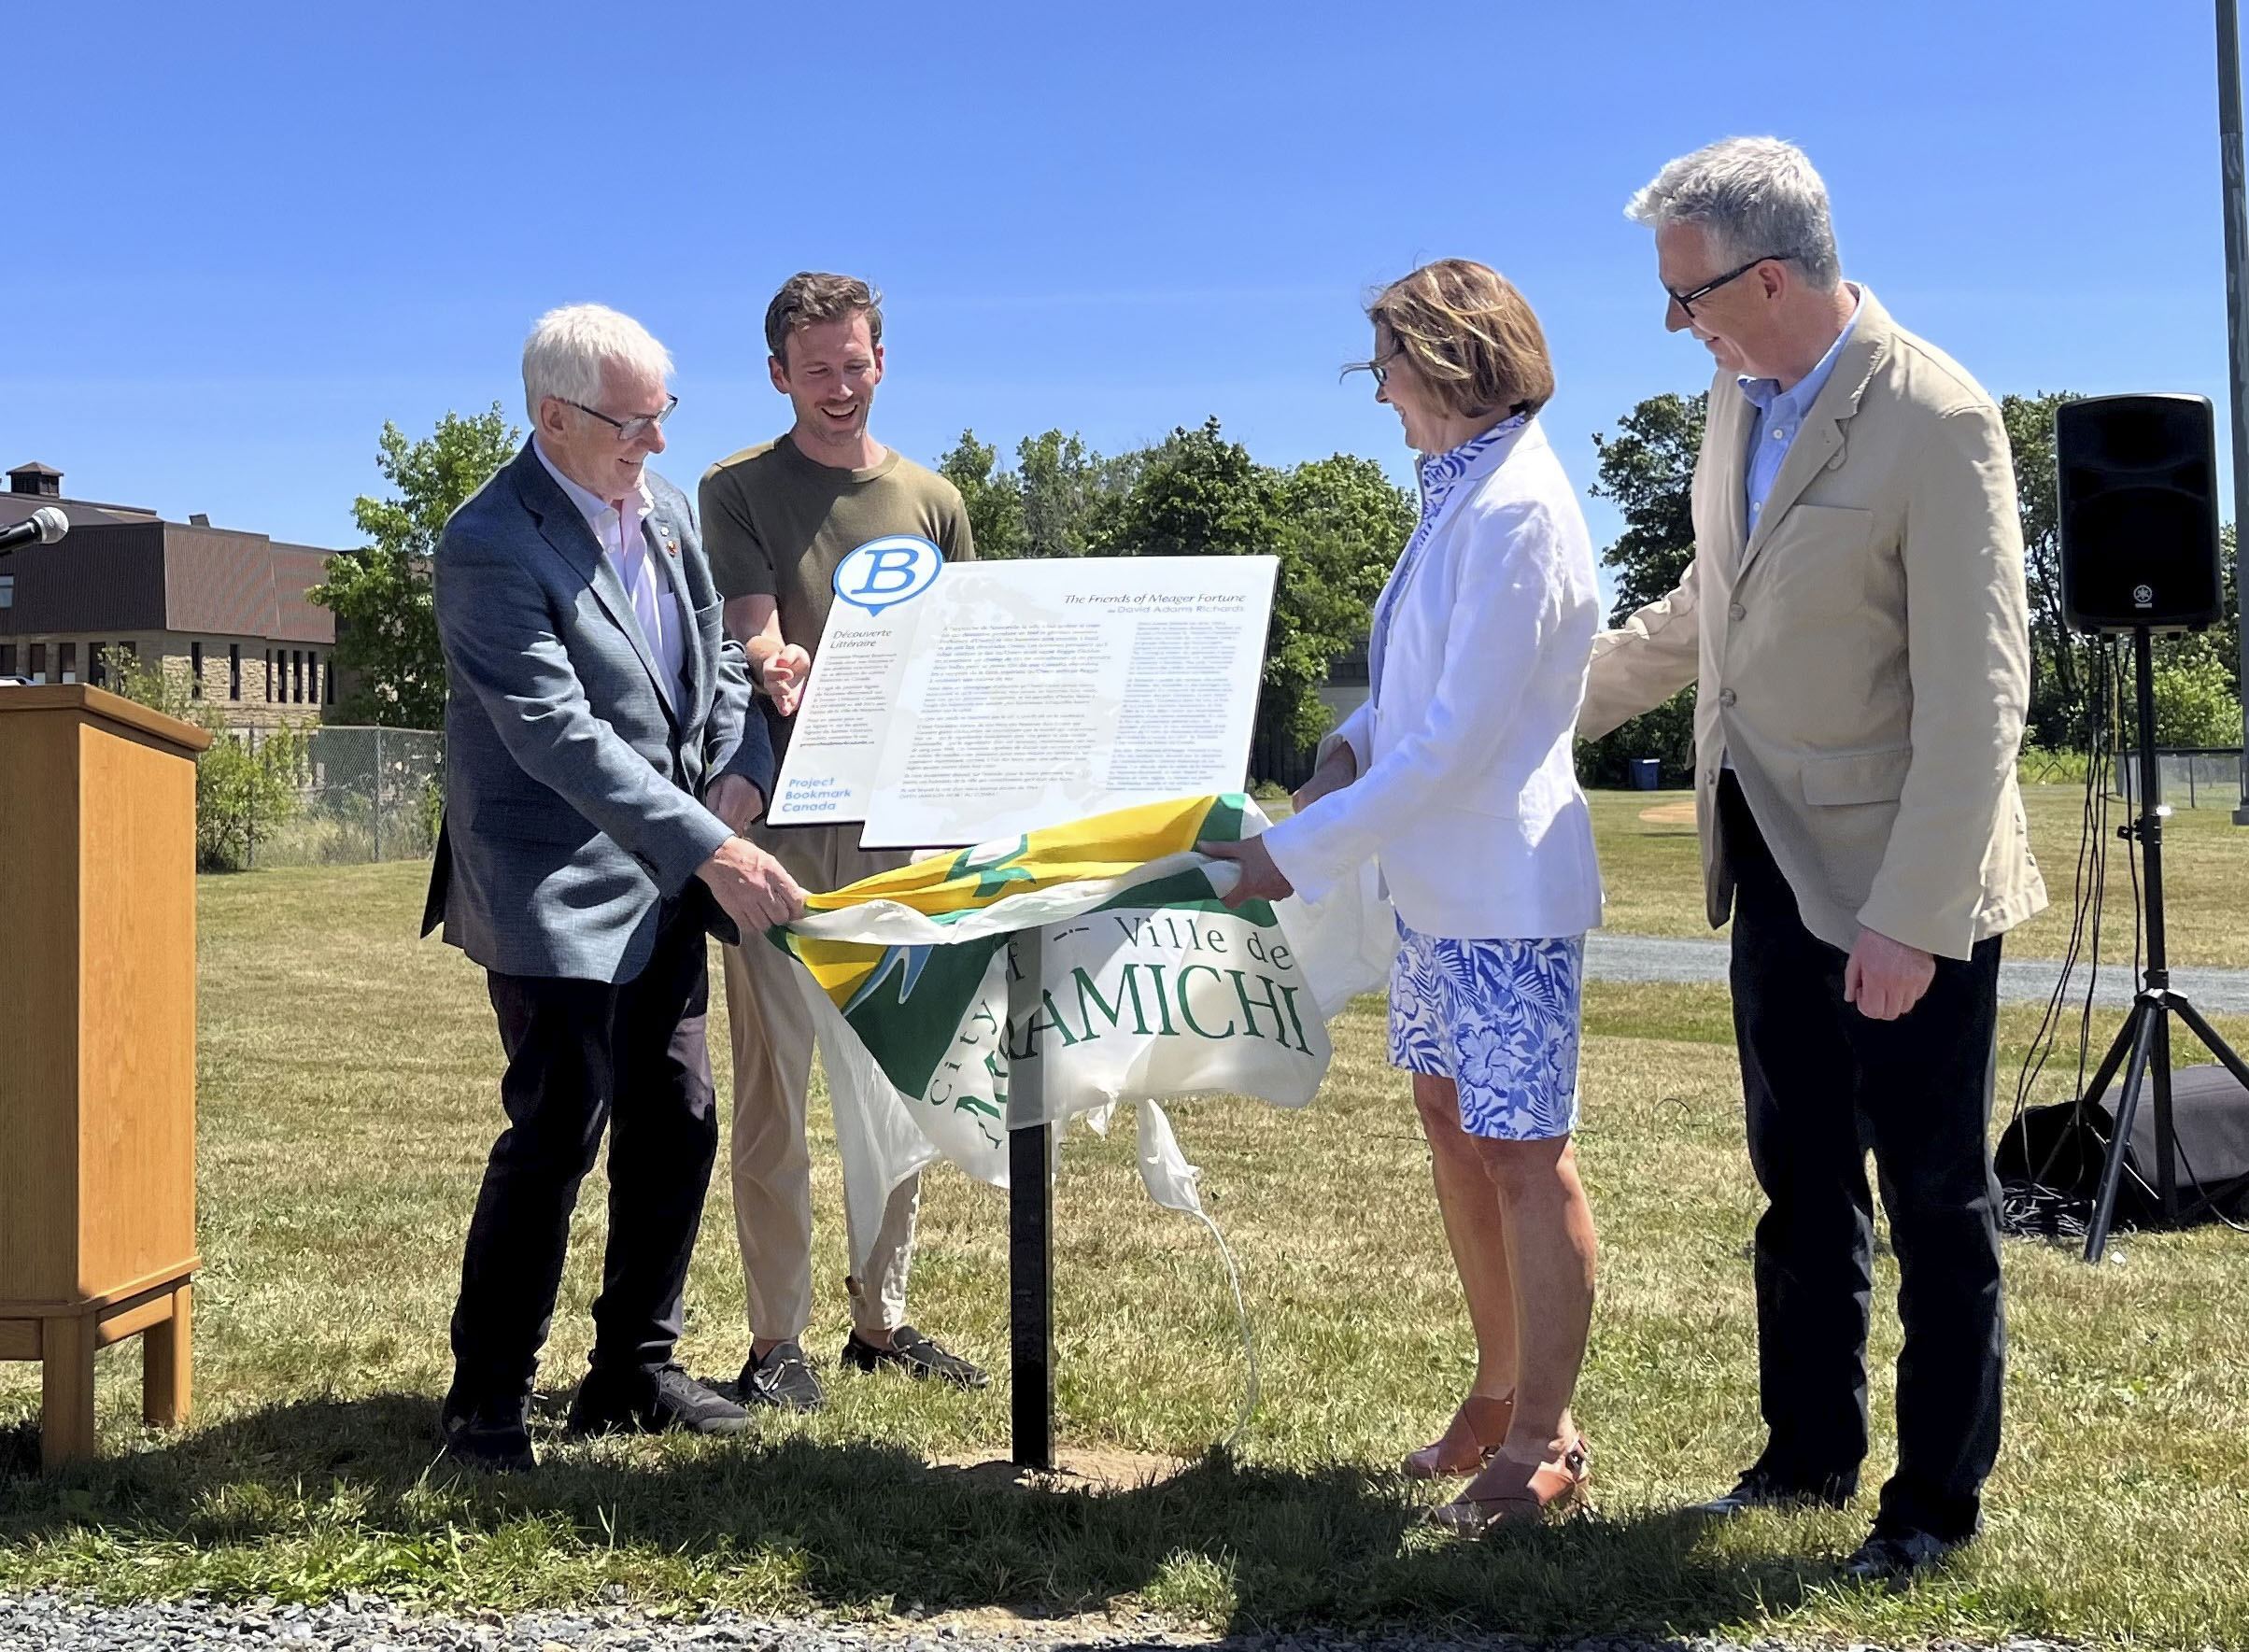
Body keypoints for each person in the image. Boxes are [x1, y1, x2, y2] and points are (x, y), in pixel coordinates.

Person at [1580, 138, 2046, 1581]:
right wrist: (1544, 700)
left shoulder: (1939, 417)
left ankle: (1928, 1507)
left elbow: (1980, 703)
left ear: (1768, 275)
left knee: (1934, 1199)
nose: (1681, 324)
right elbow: (1701, 608)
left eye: (1692, 295)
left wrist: (1911, 921)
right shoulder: (1739, 398)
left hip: (1906, 882)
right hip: (1771, 860)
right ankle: (1805, 1457)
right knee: (1799, 1182)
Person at [1204, 260, 1605, 1532]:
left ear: (1449, 361)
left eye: (1386, 362)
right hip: (1438, 891)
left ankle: (1547, 1438)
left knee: (1527, 1157)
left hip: (1504, 885)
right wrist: (1343, 750)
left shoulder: (1518, 507)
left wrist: (1293, 852)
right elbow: (1416, 702)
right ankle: (1494, 1392)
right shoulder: (1458, 493)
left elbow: (1464, 742)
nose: (1375, 389)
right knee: (1451, 1123)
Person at [423, 304, 808, 1471]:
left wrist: (735, 787)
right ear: (553, 415)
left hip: (667, 869)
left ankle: (630, 1370)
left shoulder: (670, 513)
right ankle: (485, 1403)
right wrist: (709, 843)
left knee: (678, 1118)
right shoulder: (489, 540)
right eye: (630, 422)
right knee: (555, 1127)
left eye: (662, 416)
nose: (652, 441)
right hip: (552, 882)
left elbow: (721, 672)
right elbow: (556, 734)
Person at [700, 272, 987, 1411]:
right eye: (812, 368)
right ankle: (776, 1344)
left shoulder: (934, 497)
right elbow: (750, 625)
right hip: (777, 834)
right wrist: (773, 659)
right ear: (778, 374)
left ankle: (883, 1317)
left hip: (906, 834)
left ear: (882, 362)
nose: (835, 385)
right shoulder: (735, 489)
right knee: (777, 1091)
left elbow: (966, 656)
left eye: (852, 363)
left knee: (898, 1081)